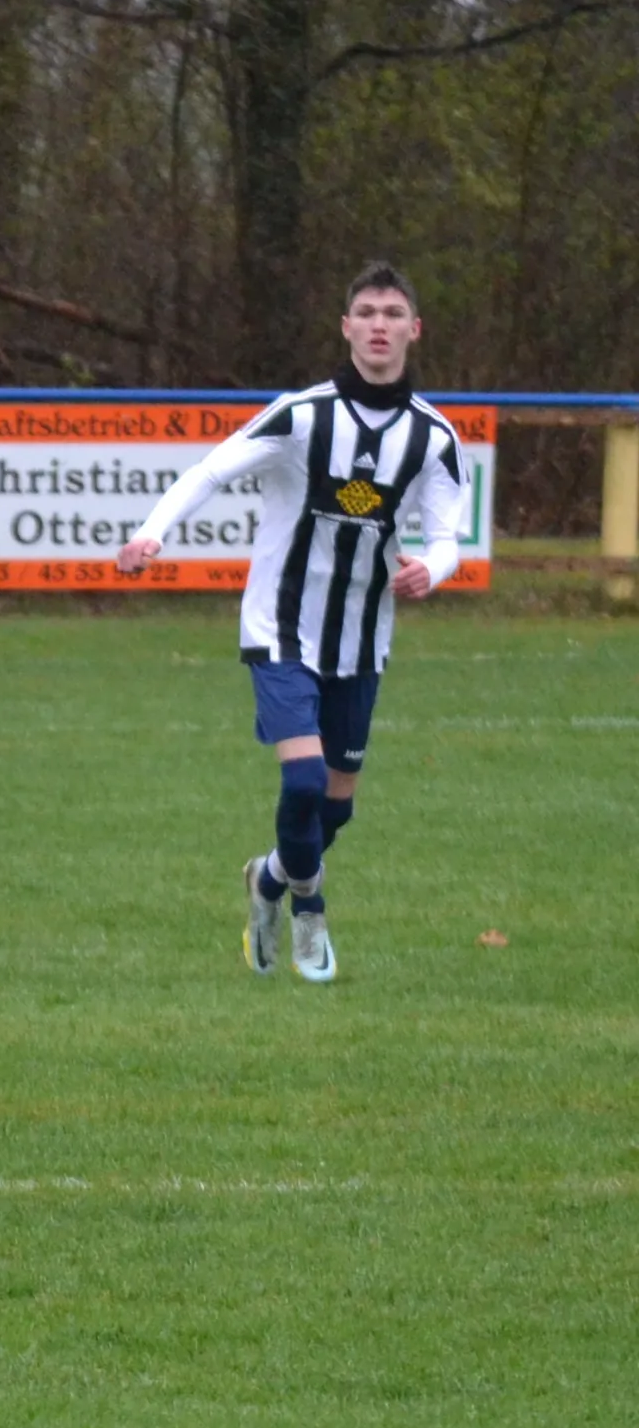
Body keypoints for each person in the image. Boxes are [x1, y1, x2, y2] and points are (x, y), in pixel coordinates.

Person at [116, 261, 468, 982]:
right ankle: (309, 907)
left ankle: (270, 876)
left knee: (334, 810)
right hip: (279, 627)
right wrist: (153, 532)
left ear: (414, 329)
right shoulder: (301, 415)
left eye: (391, 314)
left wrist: (432, 569)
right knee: (304, 782)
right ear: (346, 327)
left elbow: (446, 538)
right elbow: (211, 471)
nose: (378, 325)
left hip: (361, 639)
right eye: (365, 312)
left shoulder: (433, 438)